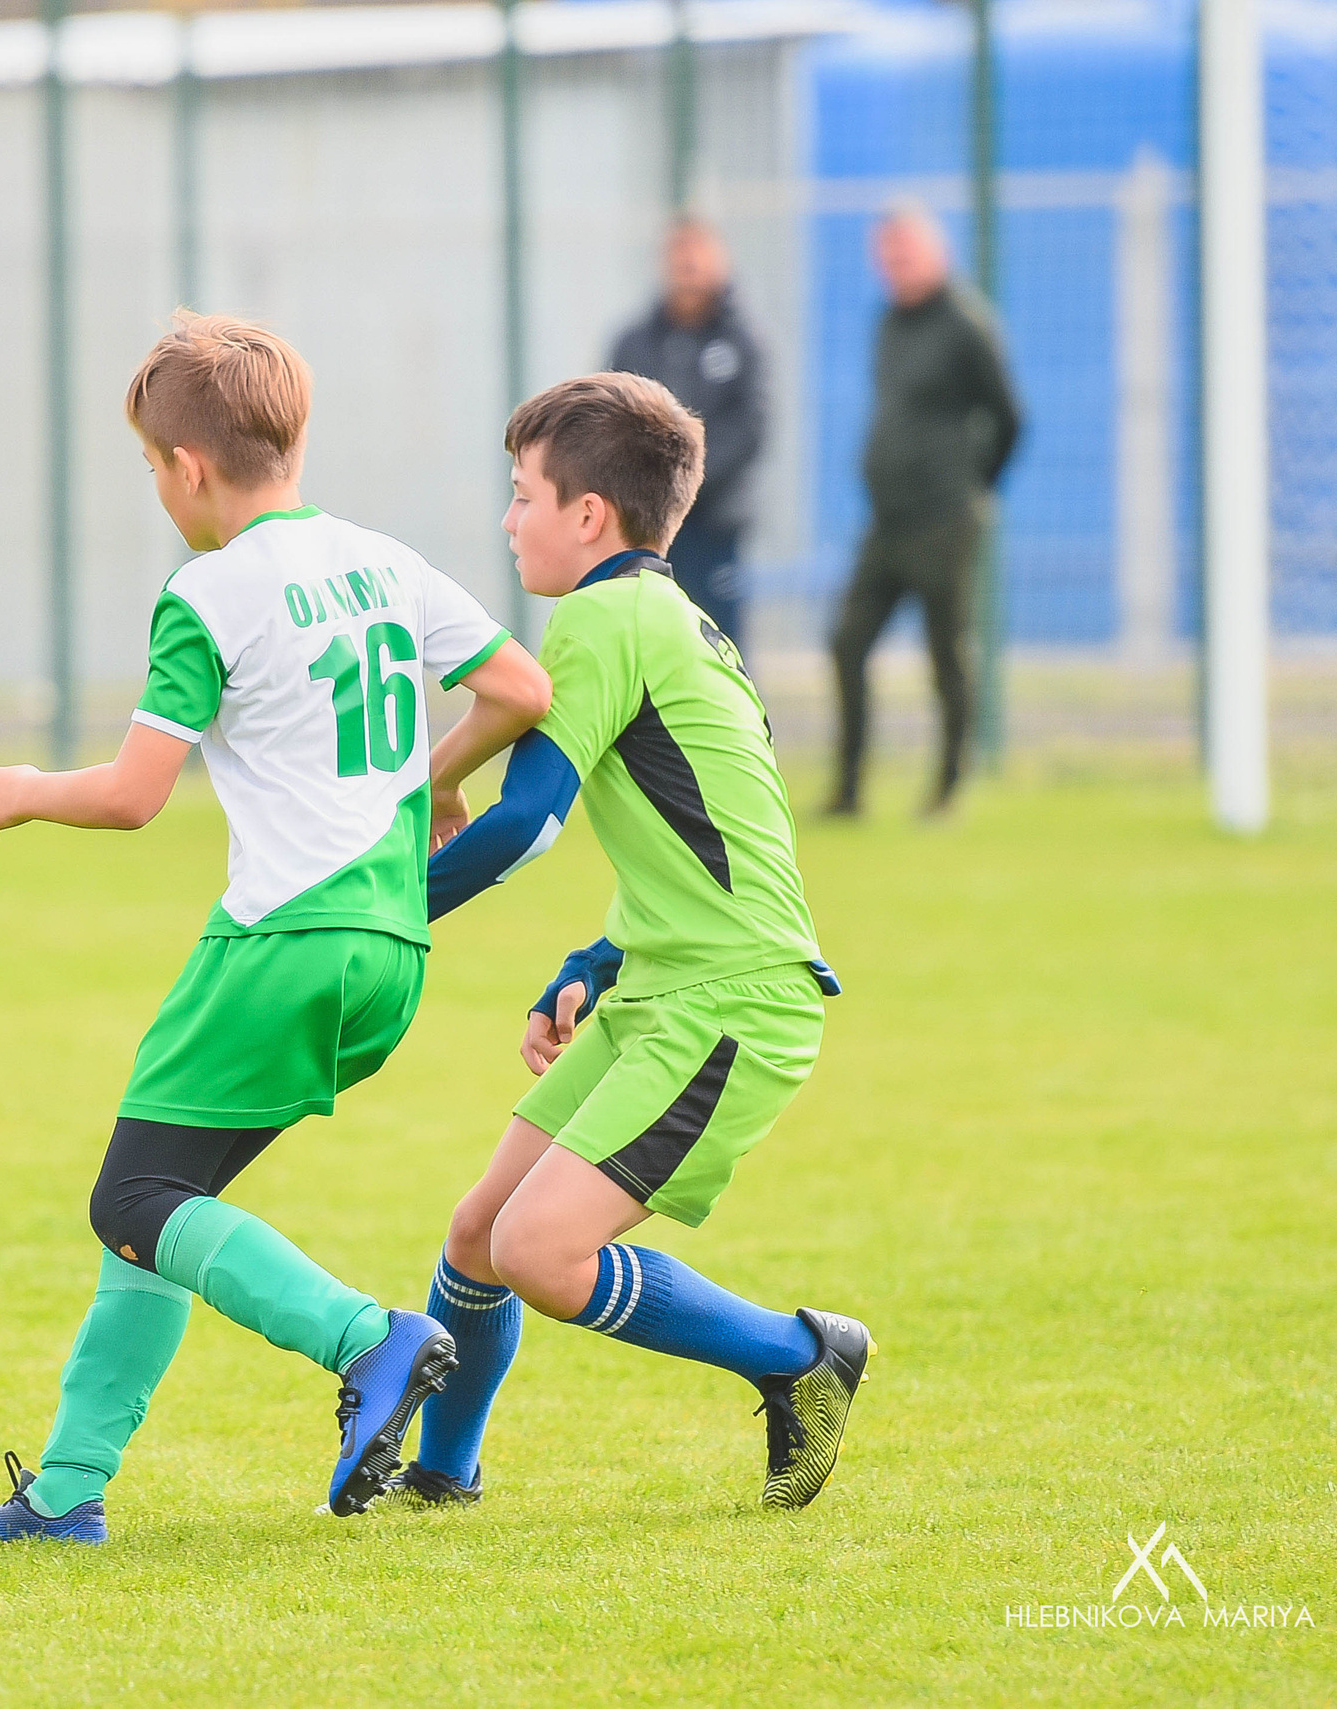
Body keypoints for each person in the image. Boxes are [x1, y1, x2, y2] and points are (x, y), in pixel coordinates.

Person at [0, 312, 551, 1544]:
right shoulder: (383, 561)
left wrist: (23, 789)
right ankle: (66, 1490)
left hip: (278, 943)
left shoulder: (205, 593)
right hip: (390, 952)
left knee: (136, 1193)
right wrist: (436, 776)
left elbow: (131, 794)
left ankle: (367, 1338)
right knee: (166, 1199)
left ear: (187, 467)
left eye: (151, 466)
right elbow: (521, 689)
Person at [403, 372, 872, 1512]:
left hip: (731, 1002)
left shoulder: (604, 617)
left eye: (522, 494)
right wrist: (595, 958)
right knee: (479, 1229)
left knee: (541, 1253)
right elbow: (705, 836)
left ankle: (799, 1356)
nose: (508, 519)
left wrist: (382, 907)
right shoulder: (676, 620)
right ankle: (438, 1473)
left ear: (589, 516)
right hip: (670, 980)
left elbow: (526, 824)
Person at [828, 202, 1022, 818]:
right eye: (886, 255)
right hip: (886, 519)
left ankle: (947, 787)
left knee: (945, 653)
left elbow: (1010, 417)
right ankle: (850, 788)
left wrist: (975, 489)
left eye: (905, 251)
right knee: (846, 642)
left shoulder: (967, 325)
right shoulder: (888, 322)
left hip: (944, 521)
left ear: (935, 251)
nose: (895, 265)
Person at [604, 216, 767, 652]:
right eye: (679, 253)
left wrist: (686, 482)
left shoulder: (742, 343)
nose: (688, 264)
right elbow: (609, 423)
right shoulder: (634, 343)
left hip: (713, 525)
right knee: (645, 643)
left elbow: (750, 429)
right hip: (643, 526)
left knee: (718, 640)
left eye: (698, 252)